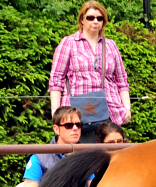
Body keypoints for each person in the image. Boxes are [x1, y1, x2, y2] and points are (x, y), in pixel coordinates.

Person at [48, 1, 131, 143]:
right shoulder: (68, 43)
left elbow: (122, 81)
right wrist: (56, 113)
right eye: (90, 17)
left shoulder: (110, 45)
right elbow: (56, 81)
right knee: (81, 159)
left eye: (100, 18)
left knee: (109, 158)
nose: (95, 21)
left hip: (110, 112)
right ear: (82, 19)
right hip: (77, 114)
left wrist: (127, 108)